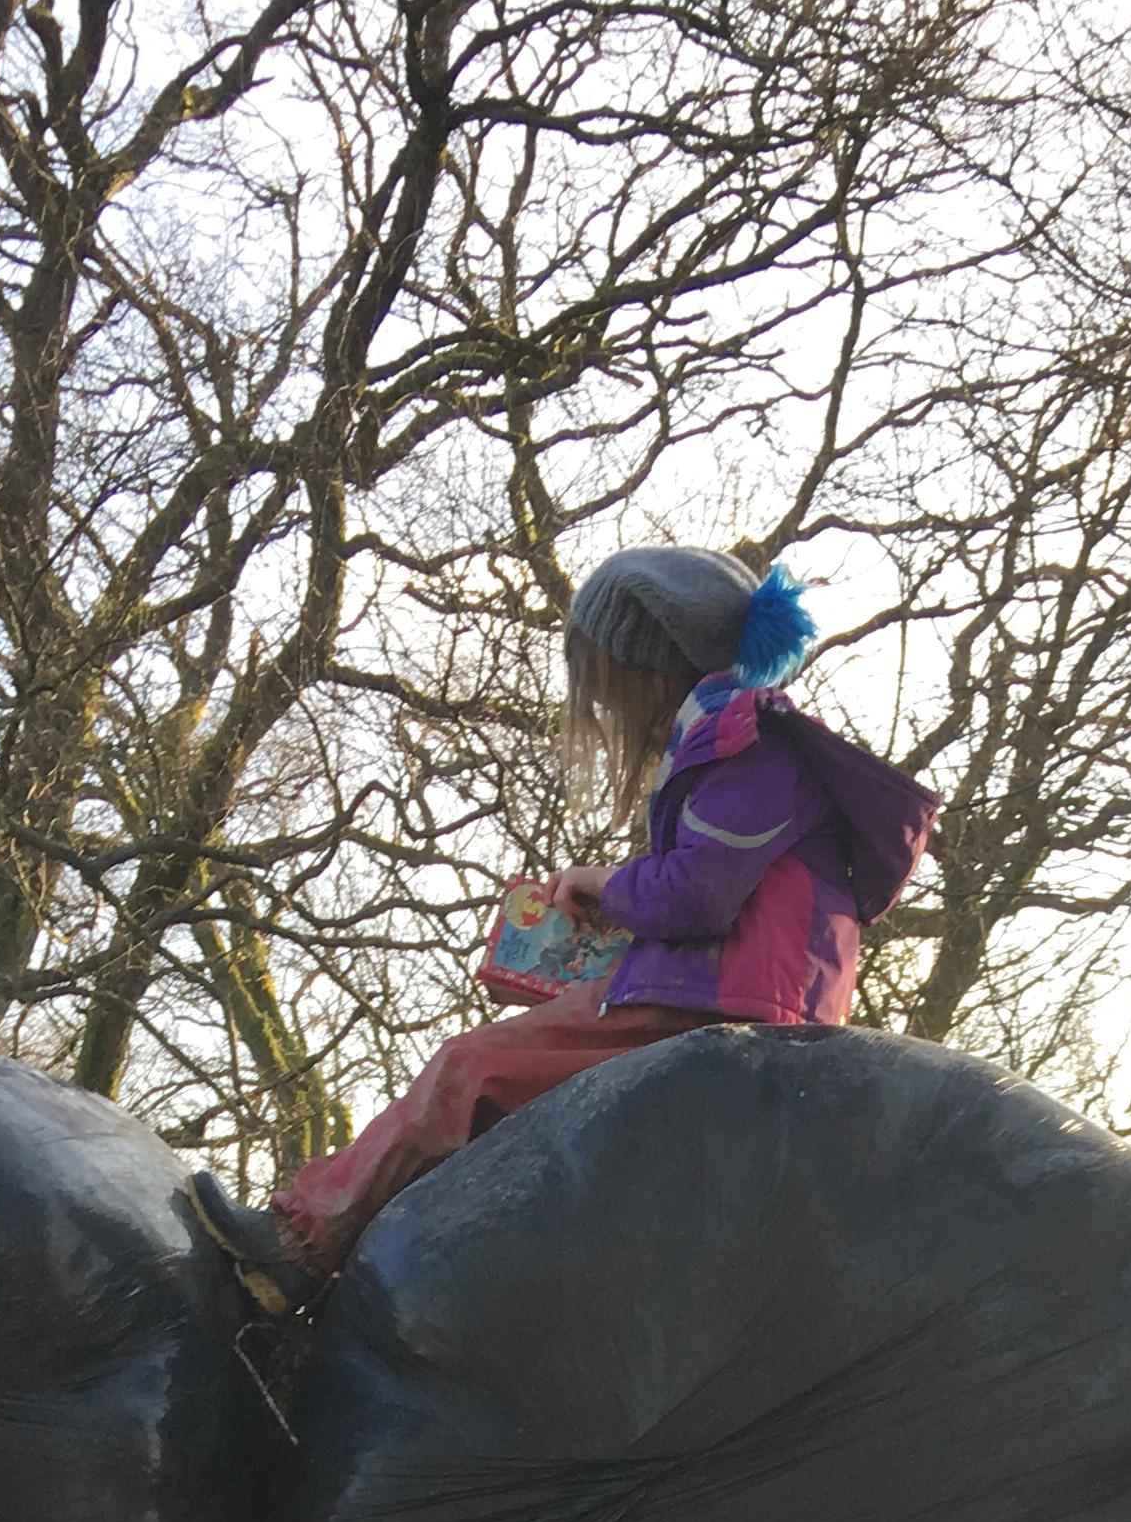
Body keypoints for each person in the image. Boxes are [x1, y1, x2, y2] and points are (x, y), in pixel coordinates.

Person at [186, 547, 938, 1315]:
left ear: (645, 669)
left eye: (604, 680)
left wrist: (606, 884)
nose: (603, 707)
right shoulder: (731, 744)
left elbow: (696, 895)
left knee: (470, 1071)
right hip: (741, 998)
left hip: (727, 1009)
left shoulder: (749, 744)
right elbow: (716, 890)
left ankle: (301, 1246)